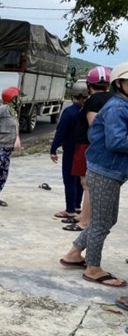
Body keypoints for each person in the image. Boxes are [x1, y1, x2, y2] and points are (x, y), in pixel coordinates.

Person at [59, 61, 128, 287]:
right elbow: (117, 141)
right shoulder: (117, 107)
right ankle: (93, 268)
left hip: (108, 170)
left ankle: (74, 253)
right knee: (102, 222)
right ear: (120, 83)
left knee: (105, 219)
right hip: (105, 171)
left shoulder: (122, 105)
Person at [64, 66, 113, 232]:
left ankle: (84, 221)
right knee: (88, 184)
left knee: (86, 183)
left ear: (89, 84)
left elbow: (95, 126)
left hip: (87, 145)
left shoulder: (94, 100)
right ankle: (83, 215)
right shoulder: (111, 98)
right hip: (95, 146)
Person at [50, 80, 86, 219]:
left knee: (69, 178)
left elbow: (61, 132)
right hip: (84, 149)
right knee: (80, 178)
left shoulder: (69, 112)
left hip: (71, 149)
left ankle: (70, 209)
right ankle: (77, 206)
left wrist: (53, 149)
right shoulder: (89, 111)